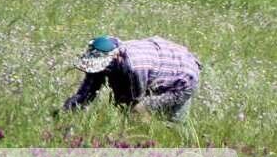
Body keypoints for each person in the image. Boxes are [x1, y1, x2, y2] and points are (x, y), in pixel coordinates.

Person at [62, 35, 201, 122]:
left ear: (115, 57)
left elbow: (133, 102)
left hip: (183, 76)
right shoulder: (104, 56)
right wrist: (65, 112)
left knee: (140, 111)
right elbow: (86, 92)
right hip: (161, 64)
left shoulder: (134, 67)